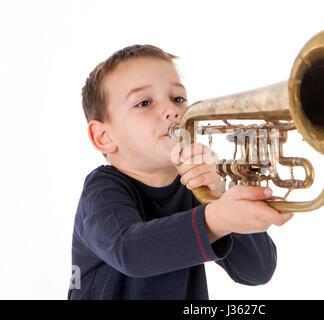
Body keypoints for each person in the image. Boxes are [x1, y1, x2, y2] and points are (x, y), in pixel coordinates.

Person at [68, 44, 294, 300]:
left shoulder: (194, 187)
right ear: (104, 137)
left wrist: (220, 195)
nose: (173, 111)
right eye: (144, 103)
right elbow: (130, 251)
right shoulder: (102, 189)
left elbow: (258, 270)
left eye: (178, 98)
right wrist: (217, 219)